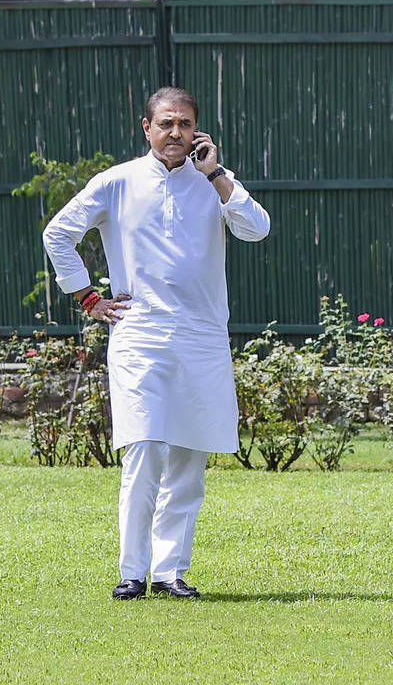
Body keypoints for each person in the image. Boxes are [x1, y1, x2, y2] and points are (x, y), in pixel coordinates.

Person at [41, 87, 271, 599]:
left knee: (190, 455)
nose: (175, 133)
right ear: (146, 128)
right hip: (140, 334)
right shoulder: (117, 181)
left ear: (197, 131)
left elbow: (257, 229)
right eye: (165, 123)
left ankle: (170, 573)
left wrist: (217, 176)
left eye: (185, 124)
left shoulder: (215, 183)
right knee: (143, 449)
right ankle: (131, 571)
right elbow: (58, 233)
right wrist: (87, 297)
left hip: (203, 336)